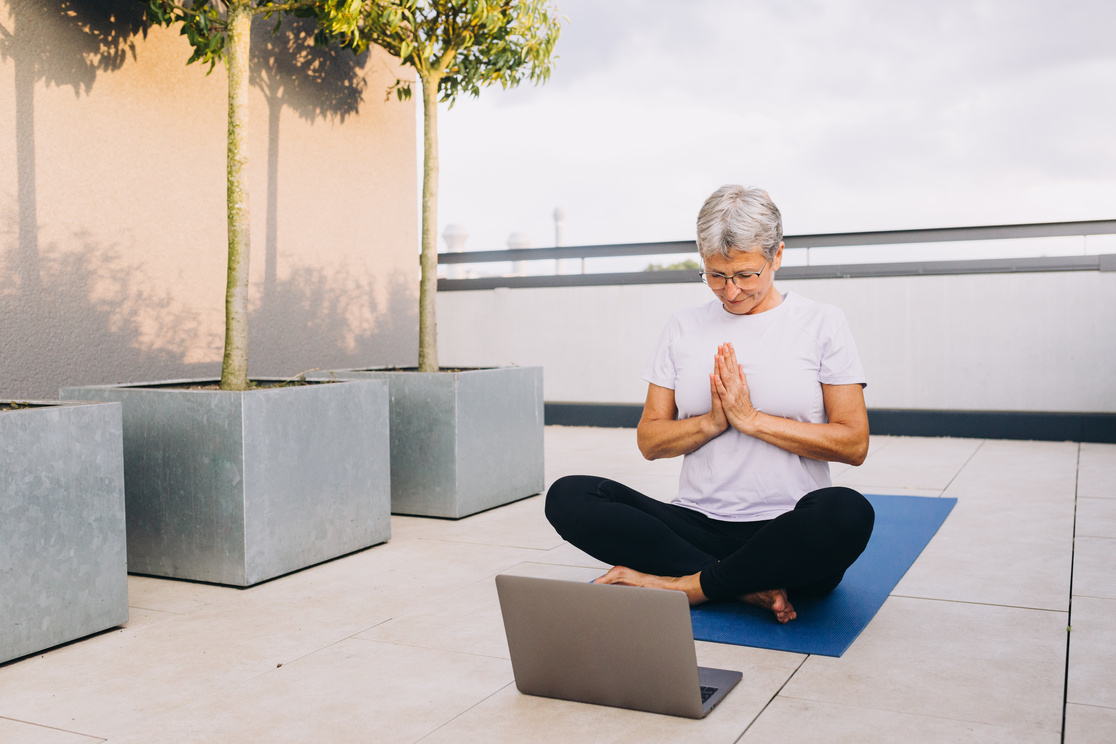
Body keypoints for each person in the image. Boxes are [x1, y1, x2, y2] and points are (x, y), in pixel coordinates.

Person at [545, 185, 874, 624]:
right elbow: (650, 440)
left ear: (777, 255)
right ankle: (738, 583)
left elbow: (854, 443)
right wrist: (713, 422)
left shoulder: (822, 322)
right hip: (694, 528)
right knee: (569, 495)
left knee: (848, 513)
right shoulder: (683, 326)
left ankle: (688, 586)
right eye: (716, 275)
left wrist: (752, 420)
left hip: (787, 534)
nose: (731, 292)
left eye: (745, 275)